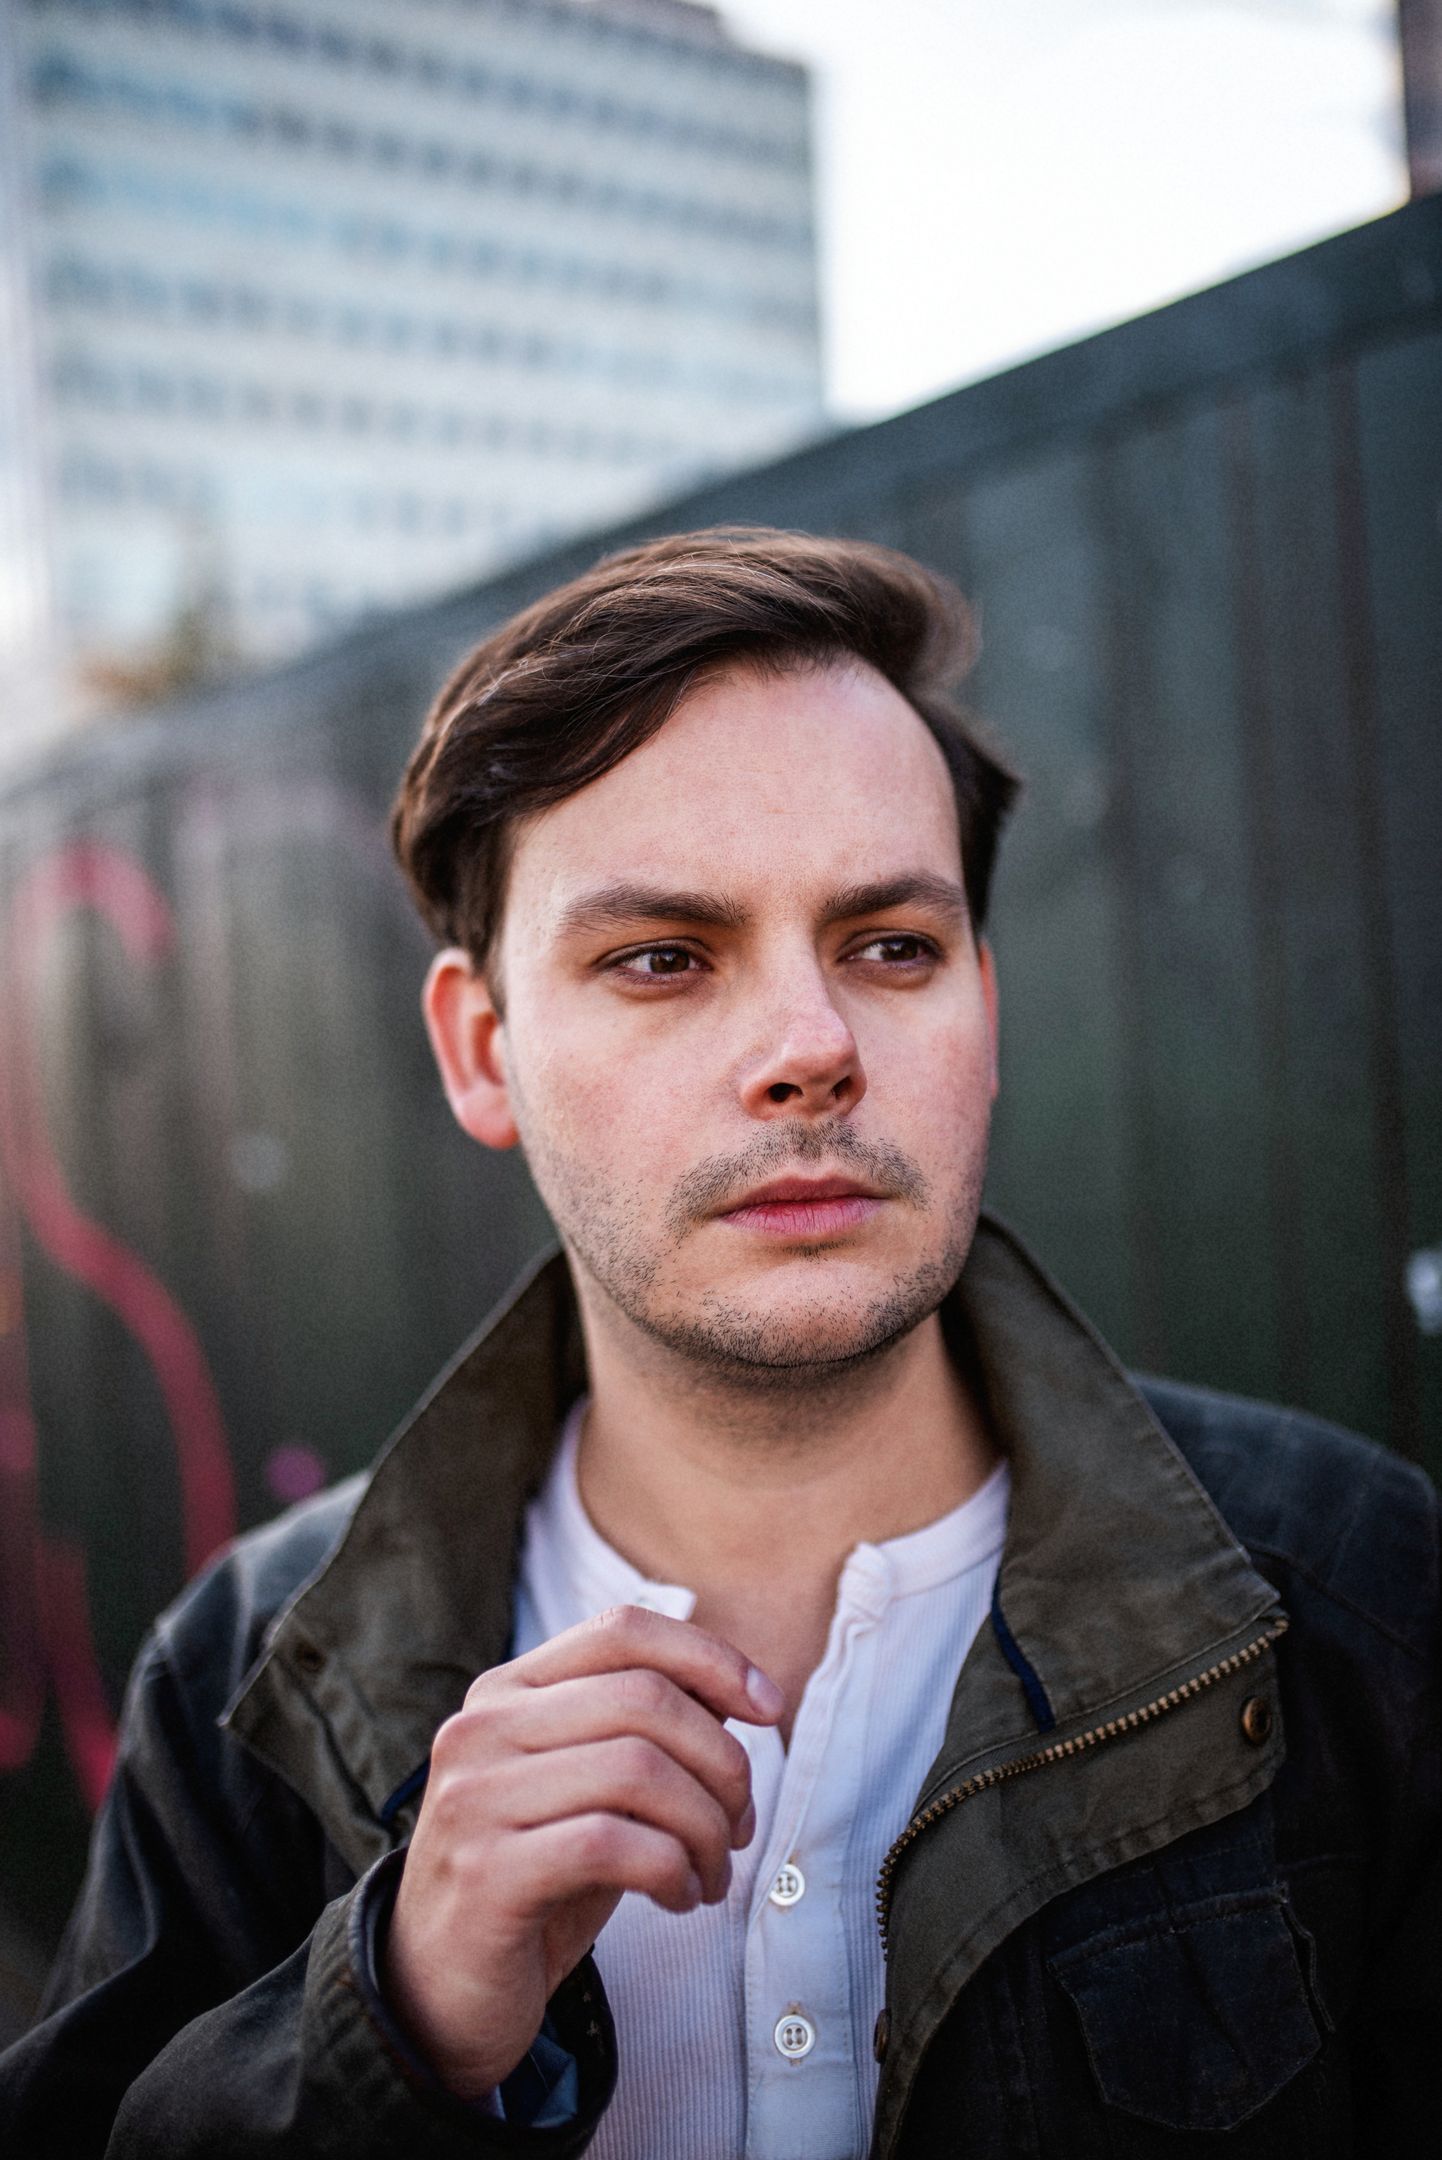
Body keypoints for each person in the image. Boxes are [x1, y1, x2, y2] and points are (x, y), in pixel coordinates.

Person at [0, 528, 1436, 2158]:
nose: (809, 1048)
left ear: (980, 1002)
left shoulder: (1350, 1596)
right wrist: (387, 2020)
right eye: (662, 959)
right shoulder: (248, 1672)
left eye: (889, 945)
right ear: (481, 1049)